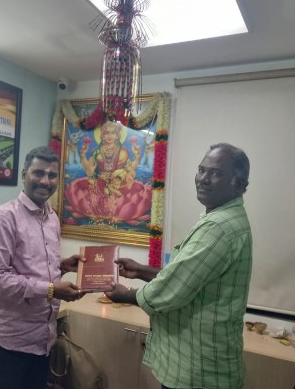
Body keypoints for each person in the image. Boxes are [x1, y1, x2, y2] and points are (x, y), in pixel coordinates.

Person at [106, 143, 252, 389]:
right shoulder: (220, 217)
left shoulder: (219, 227)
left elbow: (173, 288)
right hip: (199, 363)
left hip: (199, 370)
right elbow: (187, 276)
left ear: (238, 185)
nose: (203, 179)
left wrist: (126, 295)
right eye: (201, 170)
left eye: (216, 173)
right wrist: (141, 270)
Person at [0, 146, 86, 389]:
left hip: (42, 343)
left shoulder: (52, 218)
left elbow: (33, 267)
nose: (45, 181)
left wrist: (62, 266)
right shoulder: (3, 218)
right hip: (6, 346)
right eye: (38, 173)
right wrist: (51, 289)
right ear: (24, 174)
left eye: (52, 175)